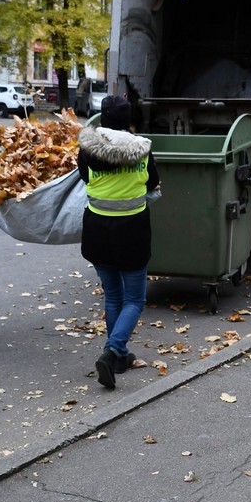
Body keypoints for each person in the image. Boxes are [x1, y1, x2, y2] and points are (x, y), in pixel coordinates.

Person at [77, 95, 160, 389]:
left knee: (113, 296)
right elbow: (152, 183)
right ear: (128, 119)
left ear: (103, 118)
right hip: (132, 233)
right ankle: (112, 351)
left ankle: (118, 356)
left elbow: (85, 177)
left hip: (98, 230)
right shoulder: (142, 150)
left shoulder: (88, 149)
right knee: (135, 299)